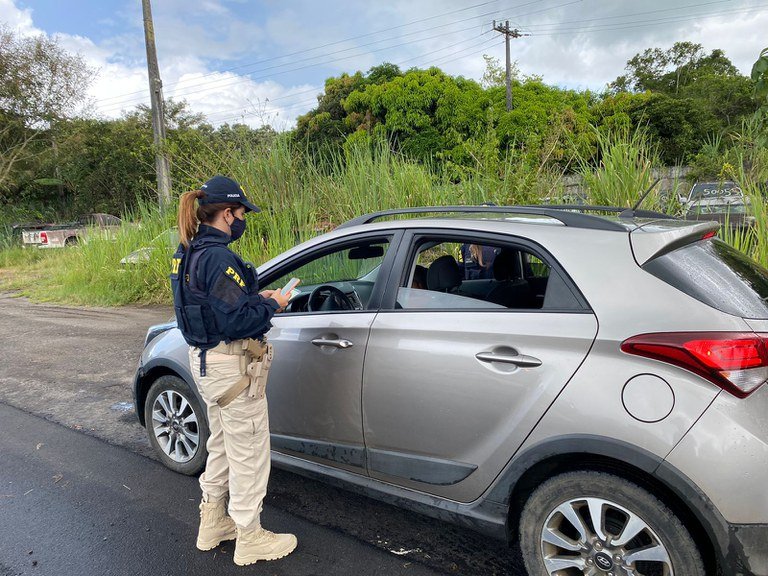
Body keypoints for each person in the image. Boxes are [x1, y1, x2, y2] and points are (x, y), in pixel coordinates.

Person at [171, 175, 295, 566]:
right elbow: (239, 322)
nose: (242, 220)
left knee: (223, 445)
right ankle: (250, 537)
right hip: (232, 367)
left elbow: (213, 305)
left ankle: (212, 524)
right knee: (250, 453)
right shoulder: (218, 257)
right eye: (241, 213)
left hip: (208, 364)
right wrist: (274, 304)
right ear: (227, 214)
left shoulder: (186, 251)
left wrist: (254, 298)